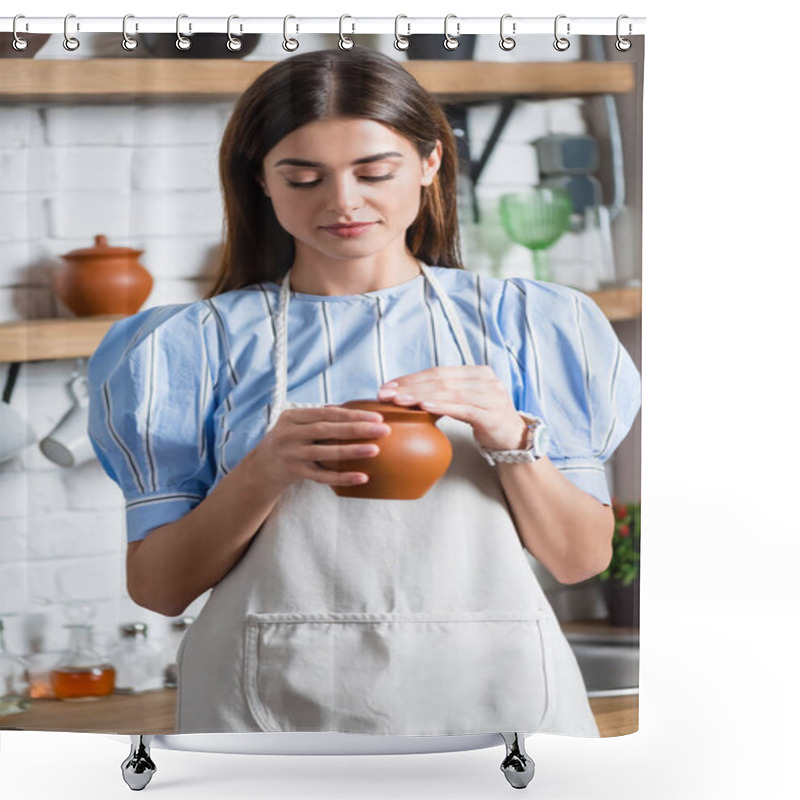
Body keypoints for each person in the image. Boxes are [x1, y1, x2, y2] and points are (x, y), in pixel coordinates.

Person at [87, 47, 641, 738]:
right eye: (303, 177)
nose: (343, 202)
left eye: (375, 172)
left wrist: (511, 438)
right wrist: (264, 470)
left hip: (499, 701)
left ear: (431, 163)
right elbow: (161, 588)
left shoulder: (533, 324)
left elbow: (580, 558)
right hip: (270, 714)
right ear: (260, 180)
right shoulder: (190, 346)